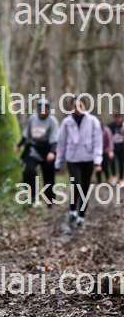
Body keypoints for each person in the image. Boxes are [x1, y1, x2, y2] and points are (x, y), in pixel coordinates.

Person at [55, 95, 103, 229]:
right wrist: (58, 162)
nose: (77, 108)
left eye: (80, 106)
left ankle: (81, 215)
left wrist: (97, 161)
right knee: (76, 184)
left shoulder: (93, 121)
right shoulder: (66, 122)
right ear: (71, 107)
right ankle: (72, 209)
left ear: (85, 106)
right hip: (72, 158)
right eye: (75, 106)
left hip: (88, 158)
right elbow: (61, 143)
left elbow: (97, 142)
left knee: (85, 188)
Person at [14, 99, 59, 207]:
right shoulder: (32, 118)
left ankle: (50, 200)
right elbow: (26, 135)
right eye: (40, 110)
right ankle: (32, 196)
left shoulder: (52, 121)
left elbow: (54, 140)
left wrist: (52, 152)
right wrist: (18, 145)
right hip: (34, 149)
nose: (42, 112)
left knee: (48, 176)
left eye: (44, 109)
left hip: (48, 149)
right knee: (28, 171)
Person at [107, 113, 124, 186]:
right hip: (113, 147)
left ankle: (121, 179)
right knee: (112, 162)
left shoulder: (123, 125)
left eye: (119, 117)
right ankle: (114, 177)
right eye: (116, 117)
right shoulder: (110, 126)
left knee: (121, 163)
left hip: (122, 147)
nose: (117, 119)